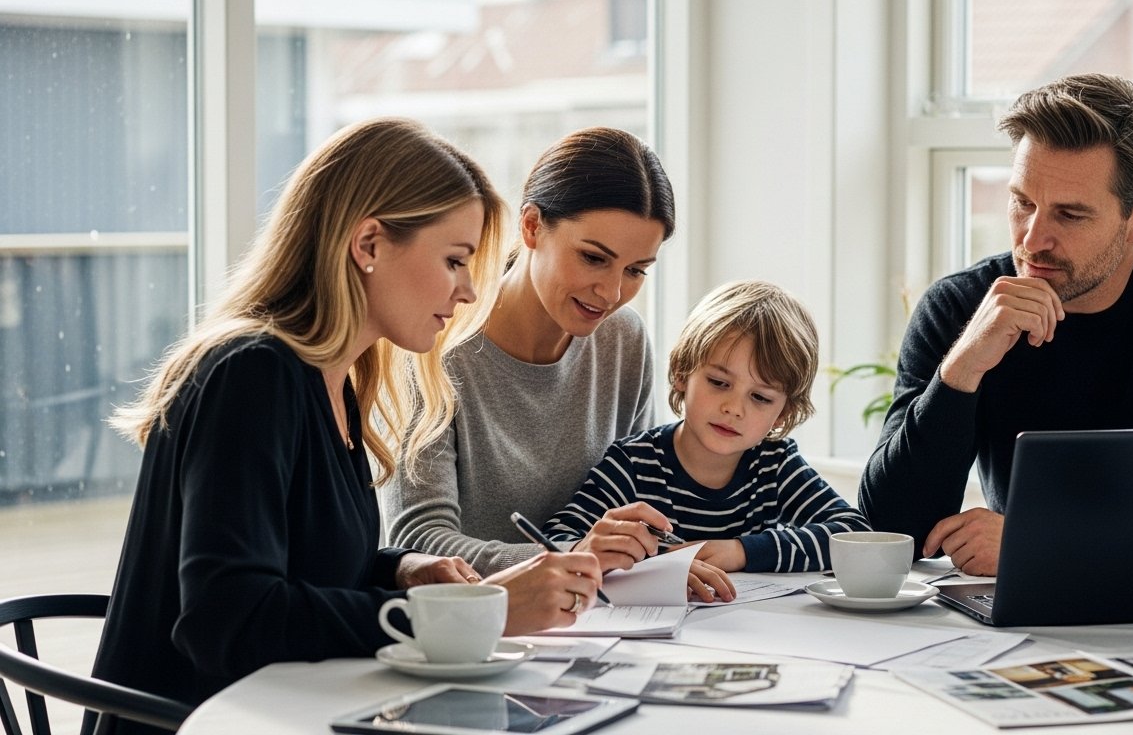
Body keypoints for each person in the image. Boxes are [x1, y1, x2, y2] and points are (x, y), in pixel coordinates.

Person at [92, 117, 604, 731]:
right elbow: (229, 617)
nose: (469, 292)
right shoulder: (251, 375)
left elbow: (298, 564)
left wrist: (398, 569)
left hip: (297, 710)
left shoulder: (336, 382)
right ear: (368, 245)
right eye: (454, 260)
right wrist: (481, 613)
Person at [858, 73, 1133, 576]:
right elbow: (889, 532)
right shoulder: (961, 308)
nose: (1033, 238)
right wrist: (961, 370)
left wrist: (1041, 543)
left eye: (1070, 215)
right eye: (1022, 202)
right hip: (1017, 632)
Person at [381, 127, 678, 575]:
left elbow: (638, 496)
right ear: (532, 226)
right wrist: (569, 558)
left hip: (605, 618)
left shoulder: (624, 341)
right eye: (594, 258)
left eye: (636, 270)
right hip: (487, 623)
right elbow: (419, 540)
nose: (612, 292)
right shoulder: (432, 344)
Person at [542, 280, 871, 601]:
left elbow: (855, 535)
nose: (734, 408)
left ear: (783, 414)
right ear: (683, 374)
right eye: (718, 382)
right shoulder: (634, 464)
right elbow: (557, 541)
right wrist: (658, 569)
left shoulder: (775, 464)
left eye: (760, 397)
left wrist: (740, 551)